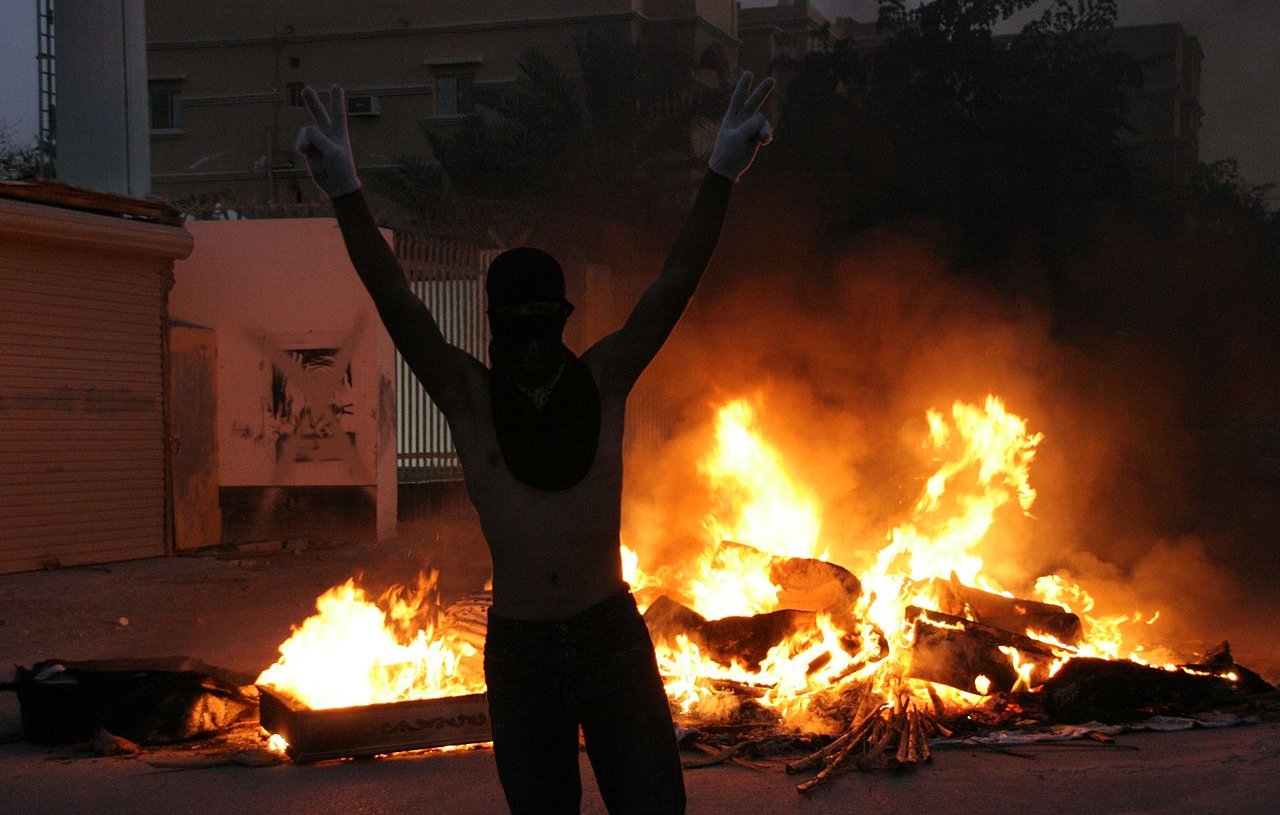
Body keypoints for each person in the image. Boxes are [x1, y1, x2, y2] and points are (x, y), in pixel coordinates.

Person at [295, 72, 773, 815]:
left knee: (654, 805)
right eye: (513, 322)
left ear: (563, 317)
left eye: (542, 319)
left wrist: (721, 174)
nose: (529, 339)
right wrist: (344, 192)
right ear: (493, 322)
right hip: (520, 649)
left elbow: (675, 283)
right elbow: (398, 302)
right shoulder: (469, 398)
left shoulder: (605, 377)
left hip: (610, 634)